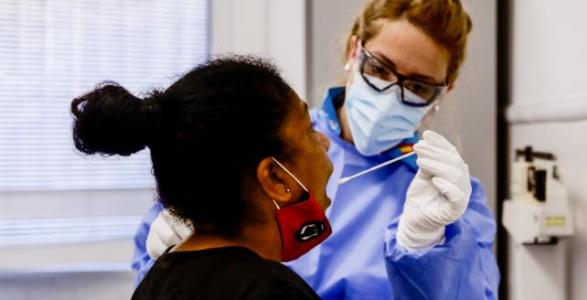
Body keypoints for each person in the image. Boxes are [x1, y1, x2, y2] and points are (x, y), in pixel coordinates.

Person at [134, 0, 501, 299]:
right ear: (354, 50)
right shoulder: (267, 140)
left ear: (445, 90)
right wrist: (174, 257)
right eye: (381, 69)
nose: (392, 94)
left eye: (419, 87)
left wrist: (427, 250)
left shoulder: (444, 196)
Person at [71, 56, 334, 299]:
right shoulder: (273, 293)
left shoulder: (155, 285)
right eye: (310, 130)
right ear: (275, 178)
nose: (326, 144)